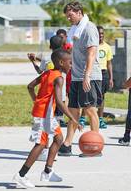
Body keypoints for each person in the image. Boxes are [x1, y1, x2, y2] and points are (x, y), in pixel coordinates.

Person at [12, 49, 81, 188]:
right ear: (61, 63)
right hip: (44, 115)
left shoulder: (47, 73)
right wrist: (73, 119)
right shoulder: (59, 78)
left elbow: (30, 86)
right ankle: (21, 175)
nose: (71, 65)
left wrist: (36, 101)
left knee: (58, 139)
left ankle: (47, 171)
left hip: (46, 113)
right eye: (70, 63)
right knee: (41, 144)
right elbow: (60, 103)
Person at [58, 1, 102, 156]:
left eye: (70, 15)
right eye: (67, 16)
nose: (68, 19)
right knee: (73, 112)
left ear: (79, 12)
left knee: (90, 110)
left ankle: (96, 146)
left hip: (89, 76)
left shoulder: (89, 29)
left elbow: (91, 53)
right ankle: (67, 144)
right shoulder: (74, 29)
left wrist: (87, 76)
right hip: (76, 76)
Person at [96, 26, 113, 129]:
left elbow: (109, 63)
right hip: (93, 73)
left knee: (102, 97)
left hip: (103, 73)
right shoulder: (92, 46)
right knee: (89, 96)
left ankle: (100, 119)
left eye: (102, 34)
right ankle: (83, 118)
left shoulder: (107, 47)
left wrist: (111, 78)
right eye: (98, 34)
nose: (100, 36)